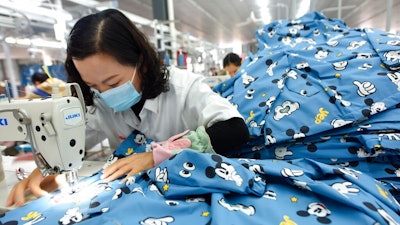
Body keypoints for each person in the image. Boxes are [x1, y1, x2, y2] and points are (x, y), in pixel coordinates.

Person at [7, 8, 250, 207]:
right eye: (93, 85)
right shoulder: (99, 103)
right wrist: (49, 166)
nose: (104, 93)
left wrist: (156, 156)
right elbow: (76, 143)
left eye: (113, 82)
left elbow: (235, 130)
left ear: (140, 62)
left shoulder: (183, 88)